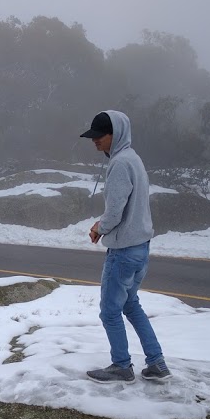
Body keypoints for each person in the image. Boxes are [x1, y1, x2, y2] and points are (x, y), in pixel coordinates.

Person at [79, 111, 171, 383]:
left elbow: (115, 211)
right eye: (93, 136)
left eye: (99, 136)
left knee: (109, 311)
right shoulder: (134, 159)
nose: (94, 141)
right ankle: (157, 363)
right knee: (131, 305)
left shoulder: (120, 164)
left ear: (114, 134)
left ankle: (121, 366)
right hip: (141, 248)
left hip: (124, 251)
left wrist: (99, 227)